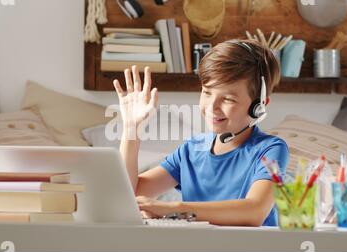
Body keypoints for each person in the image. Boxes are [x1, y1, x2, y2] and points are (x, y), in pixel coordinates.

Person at [112, 39, 289, 226]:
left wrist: (174, 209)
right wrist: (132, 127)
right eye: (206, 92)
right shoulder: (192, 150)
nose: (212, 106)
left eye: (227, 99)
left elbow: (254, 211)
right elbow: (129, 192)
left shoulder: (270, 150)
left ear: (259, 106)